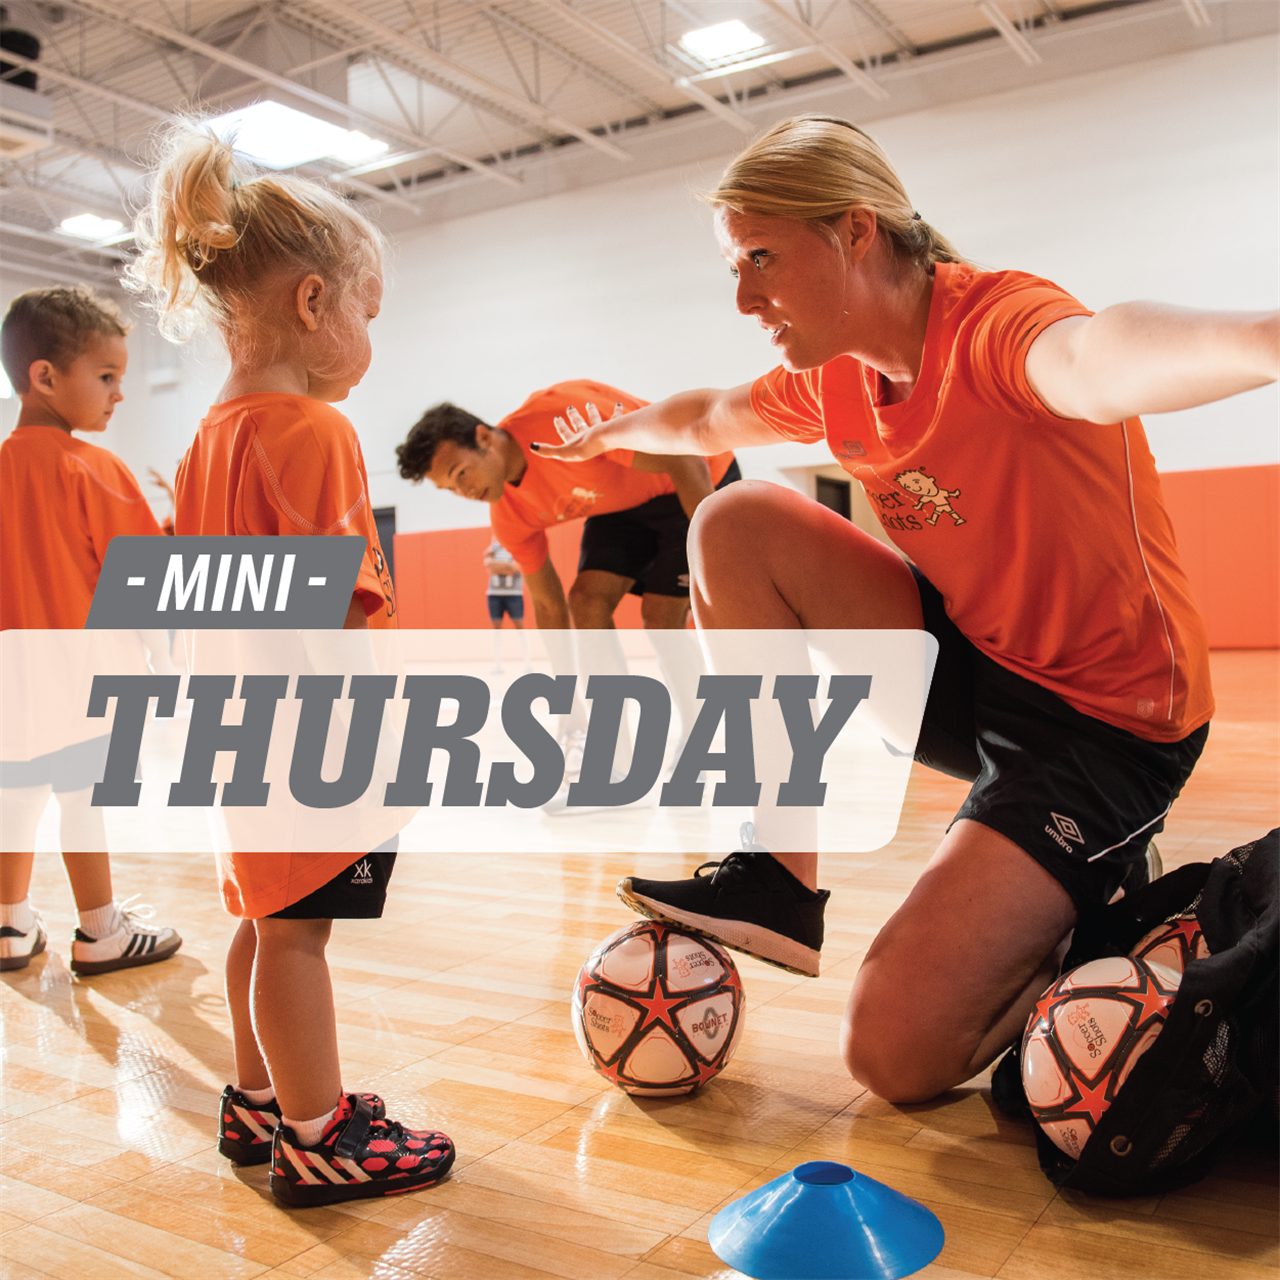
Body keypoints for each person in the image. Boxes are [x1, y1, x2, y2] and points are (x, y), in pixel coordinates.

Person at [535, 114, 1279, 1103]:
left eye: (760, 258)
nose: (743, 296)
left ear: (855, 229)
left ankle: (1107, 916)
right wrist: (608, 434)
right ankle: (775, 876)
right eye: (732, 265)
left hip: (1108, 723)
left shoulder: (996, 327)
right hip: (974, 672)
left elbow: (1097, 358)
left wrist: (1266, 338)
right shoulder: (836, 379)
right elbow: (711, 415)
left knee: (892, 1054)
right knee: (736, 519)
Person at [126, 123, 453, 1206]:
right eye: (367, 311)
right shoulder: (312, 432)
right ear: (314, 303)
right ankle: (320, 1136)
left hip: (232, 736)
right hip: (308, 741)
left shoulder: (202, 442)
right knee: (300, 940)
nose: (368, 337)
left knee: (266, 925)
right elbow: (334, 617)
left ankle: (257, 1099)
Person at [395, 386, 739, 781]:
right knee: (586, 602)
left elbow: (686, 458)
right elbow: (548, 606)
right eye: (450, 488)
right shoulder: (508, 515)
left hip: (693, 474)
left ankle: (700, 738)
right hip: (621, 506)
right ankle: (616, 761)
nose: (464, 492)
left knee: (661, 619)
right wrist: (568, 706)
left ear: (484, 438)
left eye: (461, 473)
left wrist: (719, 564)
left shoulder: (561, 419)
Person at [0, 286, 182, 977]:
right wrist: (166, 661)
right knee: (83, 798)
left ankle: (9, 925)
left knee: (14, 797)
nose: (119, 394)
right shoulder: (94, 468)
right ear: (45, 377)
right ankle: (101, 930)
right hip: (87, 678)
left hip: (10, 682)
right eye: (107, 376)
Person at [484, 539, 531, 673]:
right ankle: (498, 665)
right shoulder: (494, 547)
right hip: (494, 594)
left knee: (520, 629)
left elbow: (516, 567)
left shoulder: (517, 545)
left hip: (514, 593)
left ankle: (527, 664)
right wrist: (507, 567)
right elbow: (490, 566)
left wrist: (498, 567)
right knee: (496, 631)